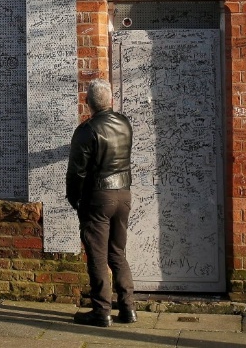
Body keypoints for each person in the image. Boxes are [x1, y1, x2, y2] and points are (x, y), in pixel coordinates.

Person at [66, 78, 137, 327]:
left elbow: (77, 172)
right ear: (111, 101)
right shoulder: (125, 123)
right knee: (117, 253)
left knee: (97, 255)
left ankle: (101, 312)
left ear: (87, 103)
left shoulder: (87, 130)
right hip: (123, 194)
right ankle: (128, 309)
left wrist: (74, 198)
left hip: (98, 197)